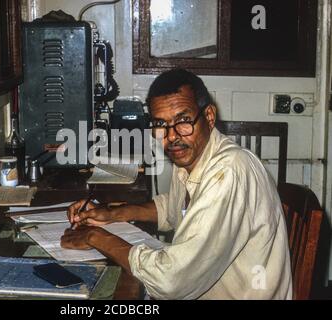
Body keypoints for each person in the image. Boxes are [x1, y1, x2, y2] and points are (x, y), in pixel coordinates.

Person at [61, 68, 292, 300]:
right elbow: (173, 209)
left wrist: (96, 237)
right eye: (161, 123)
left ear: (209, 117)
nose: (171, 136)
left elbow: (171, 281)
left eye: (183, 120)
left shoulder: (229, 171)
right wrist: (111, 213)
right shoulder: (192, 159)